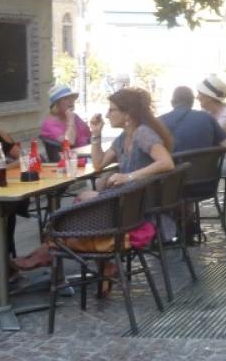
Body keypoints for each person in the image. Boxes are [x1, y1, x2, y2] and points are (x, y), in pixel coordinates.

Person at [14, 88, 177, 275]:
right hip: (127, 204)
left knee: (78, 204)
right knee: (78, 204)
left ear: (128, 114)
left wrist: (129, 176)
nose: (107, 114)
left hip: (137, 209)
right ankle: (59, 252)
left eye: (112, 110)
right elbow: (99, 164)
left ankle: (50, 251)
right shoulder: (124, 137)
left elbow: (167, 162)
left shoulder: (143, 133)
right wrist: (96, 134)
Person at [159, 86, 226, 153]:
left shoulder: (158, 122)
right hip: (208, 167)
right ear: (192, 102)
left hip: (176, 166)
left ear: (172, 102)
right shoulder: (207, 117)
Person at [40, 84, 91, 149]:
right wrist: (71, 121)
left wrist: (95, 126)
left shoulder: (73, 116)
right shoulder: (49, 124)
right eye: (66, 99)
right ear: (56, 104)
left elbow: (89, 135)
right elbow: (69, 142)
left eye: (72, 98)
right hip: (71, 157)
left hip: (86, 151)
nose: (71, 101)